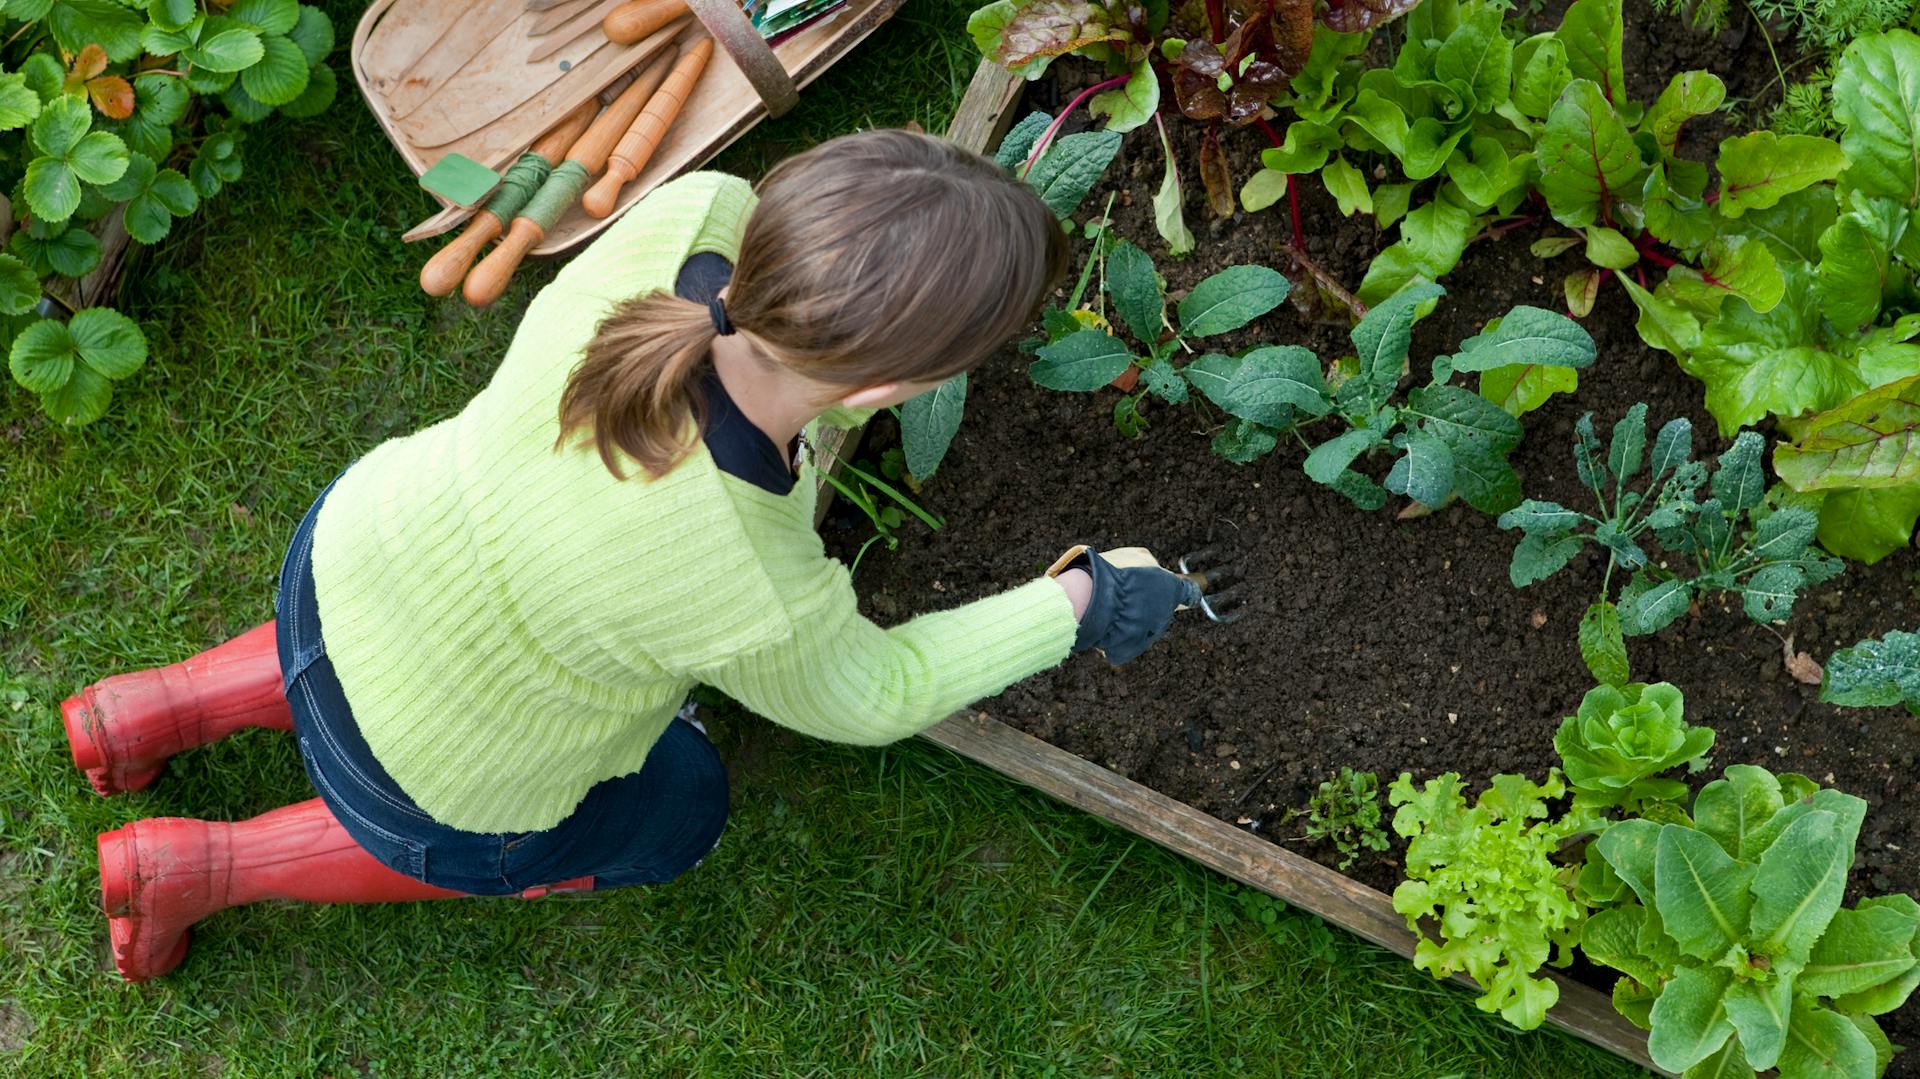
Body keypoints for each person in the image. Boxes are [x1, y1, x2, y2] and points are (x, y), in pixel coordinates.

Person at [66, 129, 1202, 983]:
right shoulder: (751, 583)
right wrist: (1078, 600)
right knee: (680, 804)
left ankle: (148, 709)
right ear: (883, 394)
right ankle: (197, 869)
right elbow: (878, 691)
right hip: (427, 776)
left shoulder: (692, 218)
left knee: (417, 622)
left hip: (352, 553)